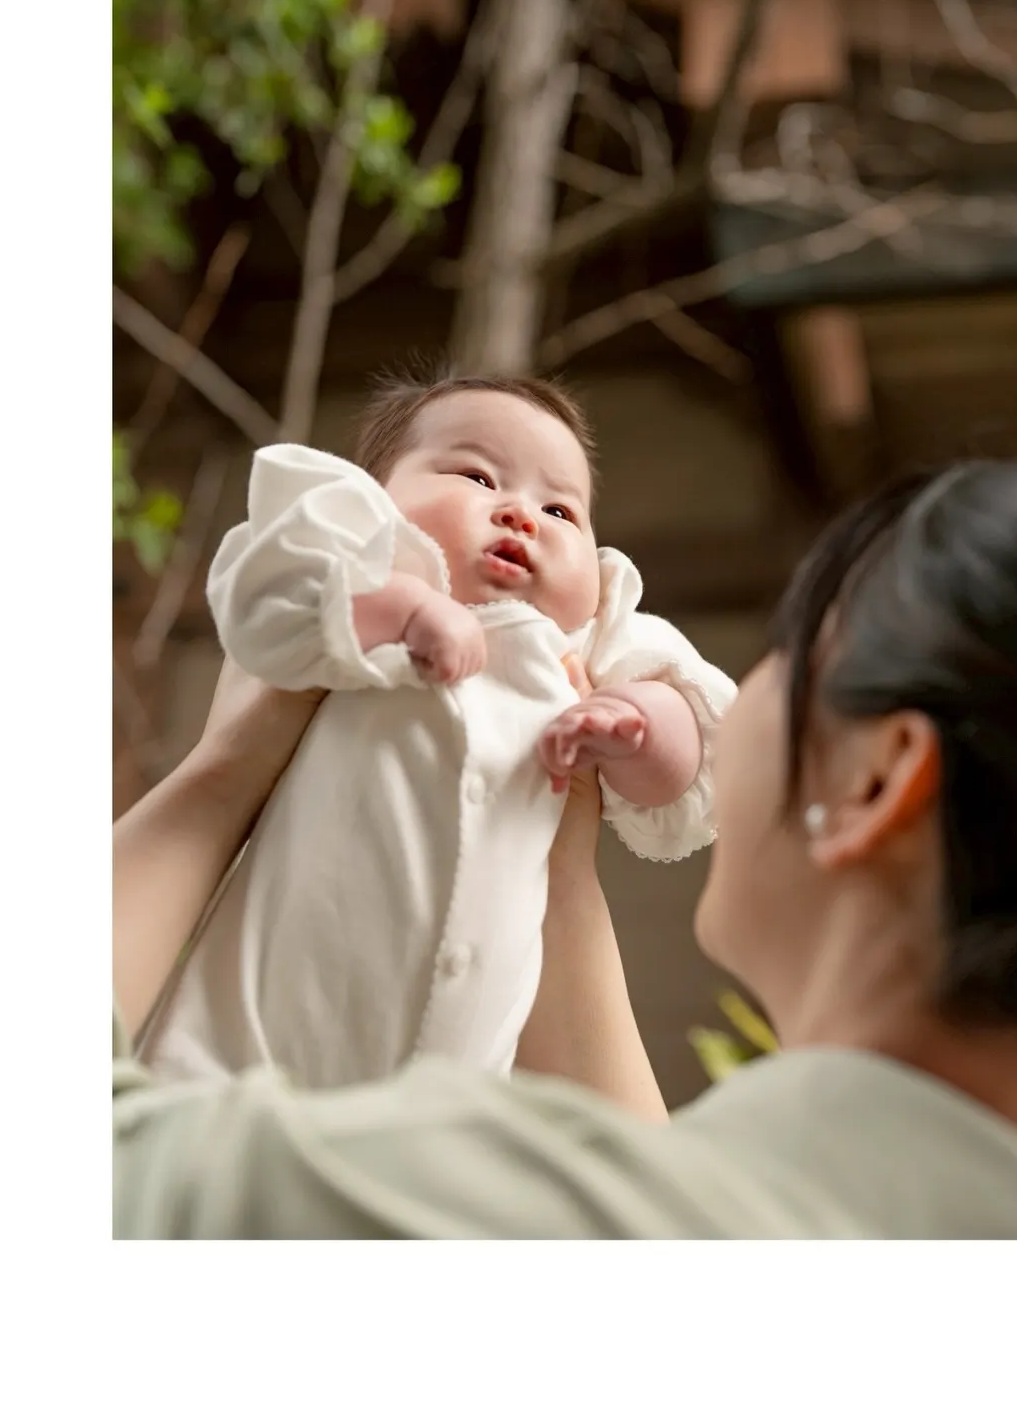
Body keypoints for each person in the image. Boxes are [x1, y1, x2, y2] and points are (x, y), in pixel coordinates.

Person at [114, 456, 1017, 1238]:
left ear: (874, 779)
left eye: (794, 641)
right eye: (478, 477)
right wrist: (561, 877)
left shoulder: (443, 1196)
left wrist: (219, 778)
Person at [139, 371, 735, 1087]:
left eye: (561, 508)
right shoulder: (351, 575)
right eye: (479, 477)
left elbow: (696, 759)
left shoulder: (590, 644)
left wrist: (639, 724)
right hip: (240, 1065)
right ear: (376, 501)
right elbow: (260, 600)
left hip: (447, 1104)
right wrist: (401, 608)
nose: (522, 514)